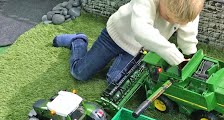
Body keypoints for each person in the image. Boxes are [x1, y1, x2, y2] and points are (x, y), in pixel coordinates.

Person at [53, 0, 204, 84]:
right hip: (113, 37)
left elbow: (188, 32)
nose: (172, 23)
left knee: (115, 81)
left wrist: (189, 53)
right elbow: (141, 30)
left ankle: (118, 61)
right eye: (169, 18)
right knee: (79, 73)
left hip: (137, 49)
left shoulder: (188, 9)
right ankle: (78, 41)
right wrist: (173, 54)